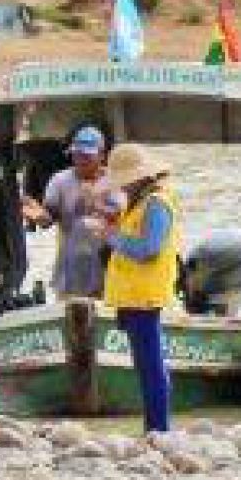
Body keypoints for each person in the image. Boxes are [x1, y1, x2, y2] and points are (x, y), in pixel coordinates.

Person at [20, 127, 124, 416]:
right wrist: (38, 215)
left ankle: (111, 384)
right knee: (72, 324)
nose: (81, 162)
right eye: (77, 156)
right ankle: (75, 388)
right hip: (70, 267)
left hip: (108, 266)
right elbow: (48, 217)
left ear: (101, 156)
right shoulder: (60, 180)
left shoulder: (115, 182)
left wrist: (97, 203)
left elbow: (123, 220)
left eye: (87, 157)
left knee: (109, 323)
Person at [92, 143, 181, 434]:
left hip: (144, 296)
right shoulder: (142, 201)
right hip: (134, 295)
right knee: (146, 365)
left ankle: (158, 429)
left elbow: (148, 249)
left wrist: (111, 237)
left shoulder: (157, 203)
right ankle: (154, 427)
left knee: (151, 366)